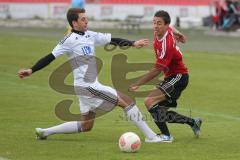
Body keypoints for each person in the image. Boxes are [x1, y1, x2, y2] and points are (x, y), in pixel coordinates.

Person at [18, 8, 165, 143]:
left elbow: (112, 39)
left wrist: (133, 43)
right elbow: (50, 56)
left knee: (86, 125)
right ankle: (151, 137)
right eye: (83, 19)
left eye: (86, 18)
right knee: (126, 101)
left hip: (88, 86)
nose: (86, 21)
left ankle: (44, 132)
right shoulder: (68, 40)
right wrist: (32, 70)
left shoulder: (90, 35)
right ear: (74, 23)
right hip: (87, 86)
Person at [129, 10, 202, 143]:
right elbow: (171, 27)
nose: (155, 26)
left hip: (178, 76)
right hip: (172, 77)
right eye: (154, 23)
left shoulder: (166, 43)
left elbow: (158, 69)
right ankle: (193, 122)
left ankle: (166, 136)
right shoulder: (162, 31)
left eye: (159, 23)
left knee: (149, 102)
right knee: (160, 113)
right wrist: (179, 34)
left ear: (165, 25)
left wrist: (138, 83)